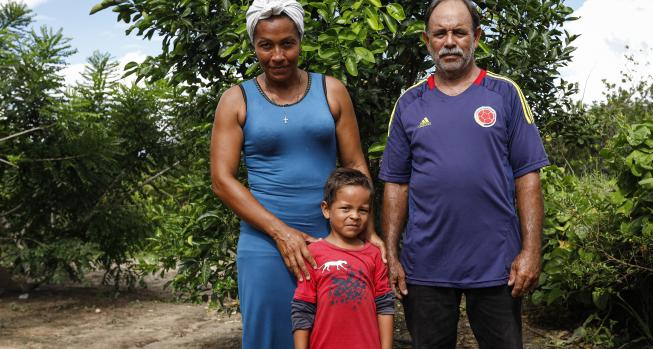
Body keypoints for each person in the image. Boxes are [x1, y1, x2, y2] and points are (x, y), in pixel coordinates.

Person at [210, 1, 382, 347]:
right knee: (269, 337)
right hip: (264, 247)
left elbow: (356, 167)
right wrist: (282, 234)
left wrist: (370, 233)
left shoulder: (330, 91)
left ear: (300, 42)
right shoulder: (236, 100)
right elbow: (222, 180)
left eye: (287, 43)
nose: (278, 55)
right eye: (266, 45)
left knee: (336, 336)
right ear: (253, 45)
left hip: (333, 242)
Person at [378, 0, 550, 348]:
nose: (450, 41)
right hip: (424, 265)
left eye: (460, 32)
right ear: (428, 40)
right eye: (440, 34)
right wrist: (392, 255)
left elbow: (527, 177)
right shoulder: (409, 103)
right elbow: (396, 183)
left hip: (497, 264)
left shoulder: (505, 93)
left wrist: (531, 251)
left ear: (477, 37)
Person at [291, 168, 394, 349]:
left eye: (363, 210)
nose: (355, 216)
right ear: (326, 209)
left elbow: (384, 306)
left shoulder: (375, 254)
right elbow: (303, 307)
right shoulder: (312, 254)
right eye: (345, 208)